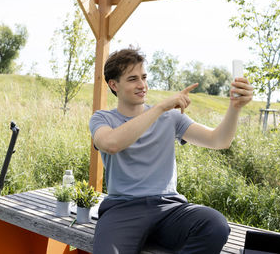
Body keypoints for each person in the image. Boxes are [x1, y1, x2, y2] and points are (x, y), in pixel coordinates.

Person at [89, 47, 253, 254]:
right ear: (114, 85)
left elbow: (218, 140)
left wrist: (235, 107)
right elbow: (111, 144)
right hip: (122, 210)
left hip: (169, 208)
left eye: (144, 77)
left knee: (215, 225)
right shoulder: (103, 119)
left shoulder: (171, 118)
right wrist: (159, 108)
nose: (142, 85)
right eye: (133, 79)